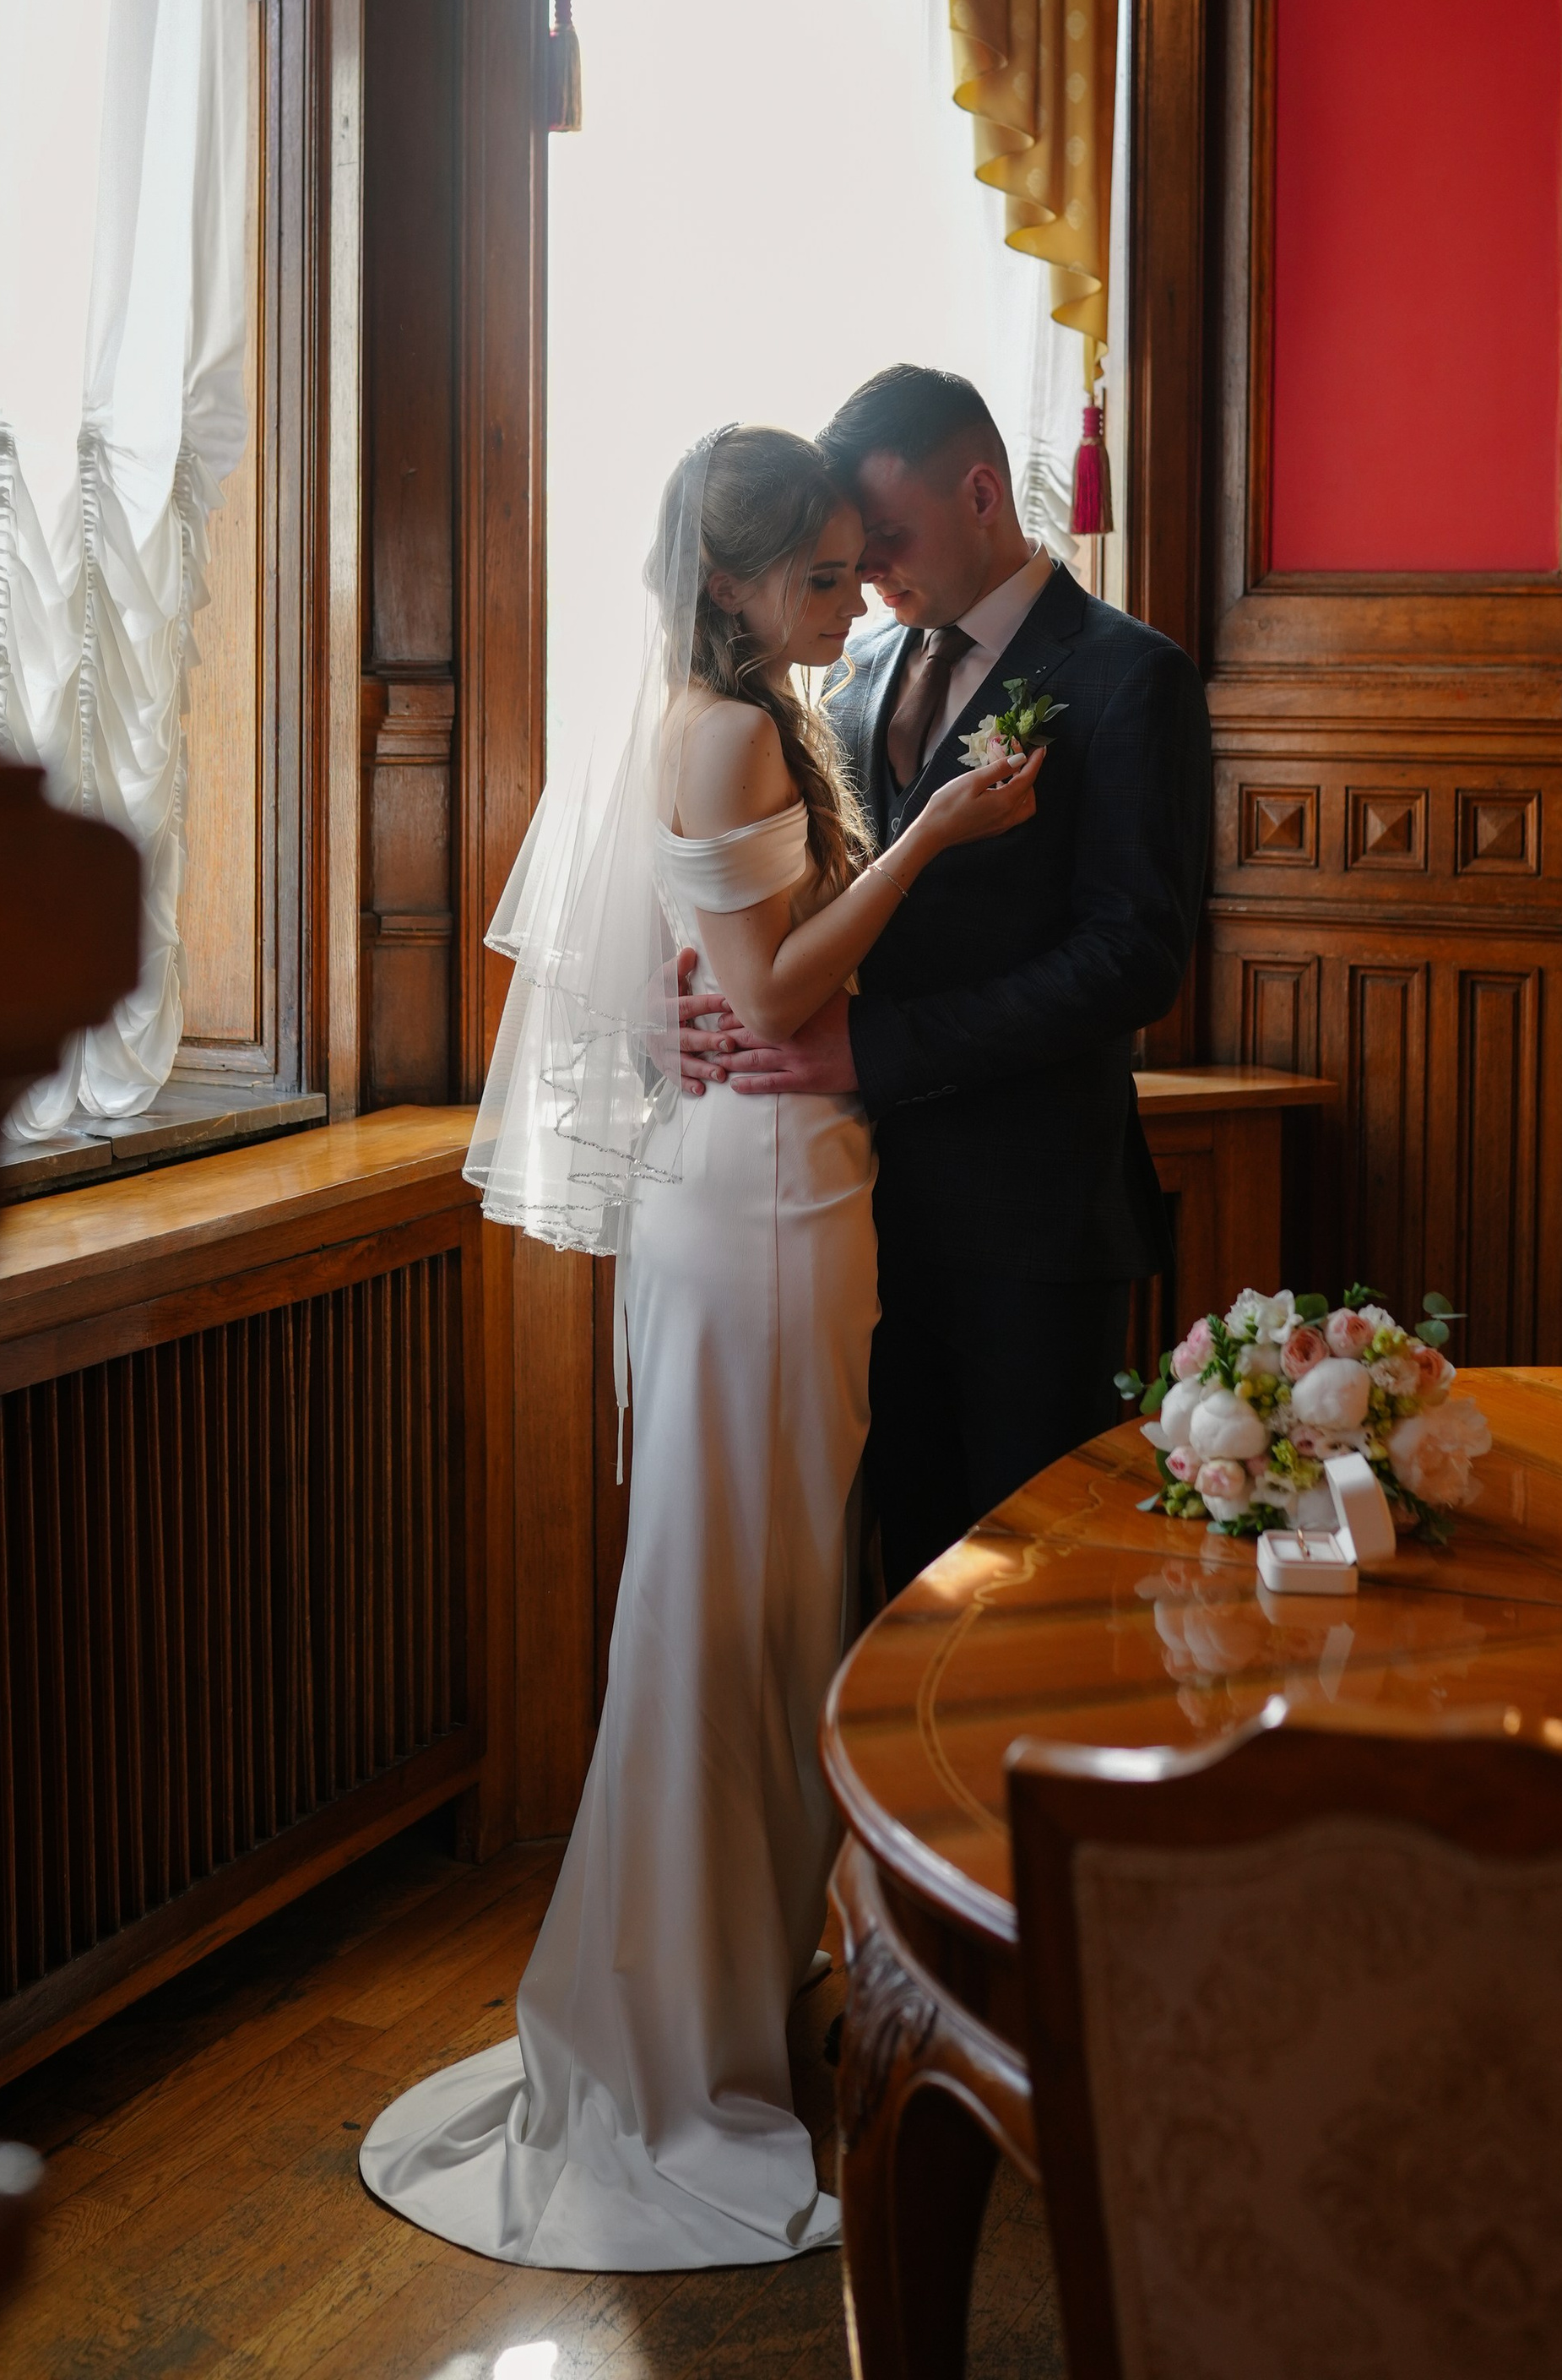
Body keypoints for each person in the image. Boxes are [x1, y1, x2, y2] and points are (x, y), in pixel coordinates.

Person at [361, 425, 1040, 2270]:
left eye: (848, 568)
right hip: (750, 1211)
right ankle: (672, 2057)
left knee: (760, 1609)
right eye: (819, 574)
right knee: (721, 1616)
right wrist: (935, 832)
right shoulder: (727, 726)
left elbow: (731, 977)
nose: (847, 599)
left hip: (780, 1193)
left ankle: (732, 2009)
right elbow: (763, 994)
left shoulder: (736, 711)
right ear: (733, 584)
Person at [683, 364, 1212, 1599]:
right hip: (852, 1212)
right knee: (900, 1577)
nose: (869, 583)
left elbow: (1133, 957)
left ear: (982, 490)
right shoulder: (856, 675)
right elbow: (810, 902)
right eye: (850, 564)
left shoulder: (1133, 677)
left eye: (888, 546)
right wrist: (700, 984)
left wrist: (877, 1051)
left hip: (1029, 1221)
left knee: (1028, 1587)